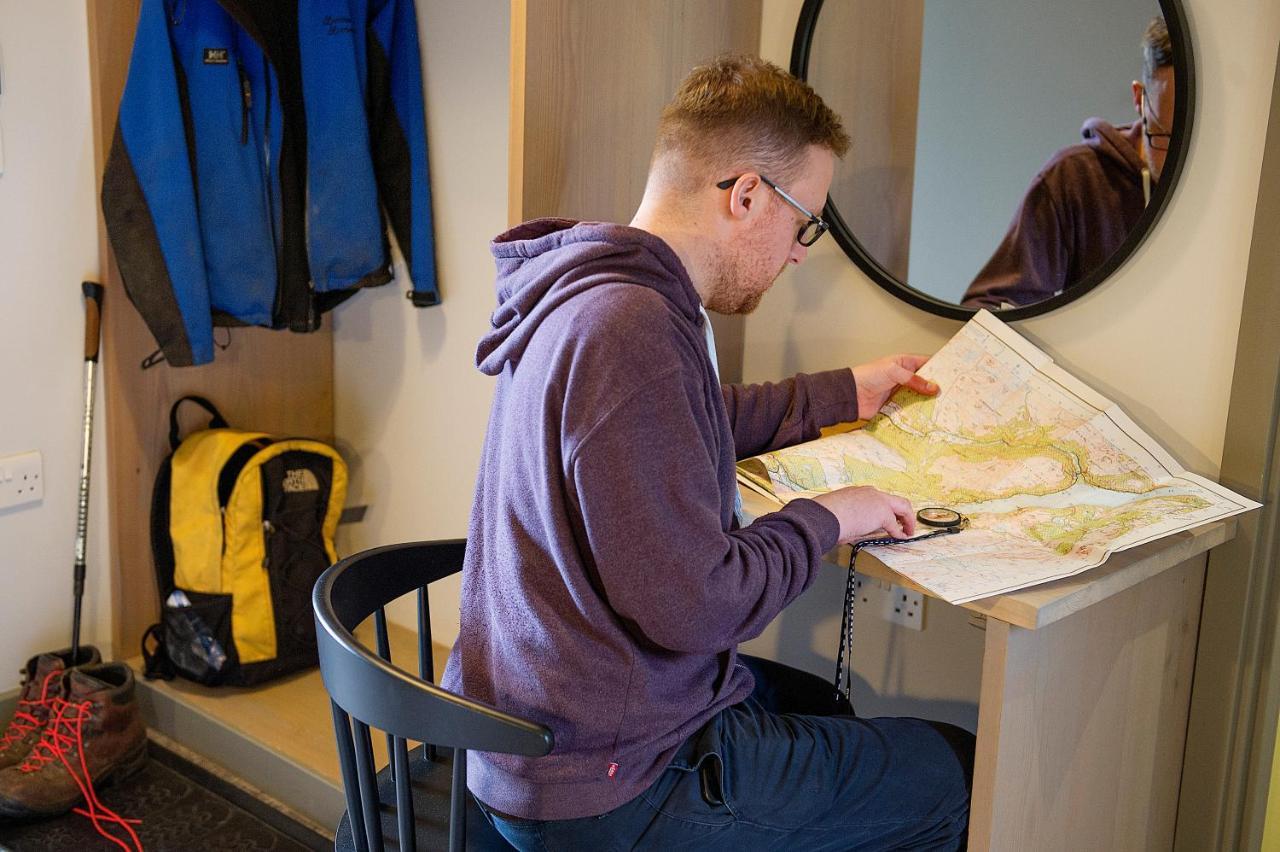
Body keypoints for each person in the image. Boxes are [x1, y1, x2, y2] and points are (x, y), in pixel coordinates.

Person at [442, 54, 974, 850]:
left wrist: (840, 394)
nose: (801, 252)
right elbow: (699, 605)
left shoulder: (589, 292)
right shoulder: (635, 330)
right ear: (748, 194)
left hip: (541, 735)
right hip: (609, 784)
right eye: (805, 224)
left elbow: (674, 425)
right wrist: (827, 518)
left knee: (820, 707)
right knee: (958, 776)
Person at [961, 17, 1175, 310]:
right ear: (1139, 99)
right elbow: (990, 305)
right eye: (1164, 135)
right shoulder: (1074, 178)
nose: (1178, 158)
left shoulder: (1236, 190)